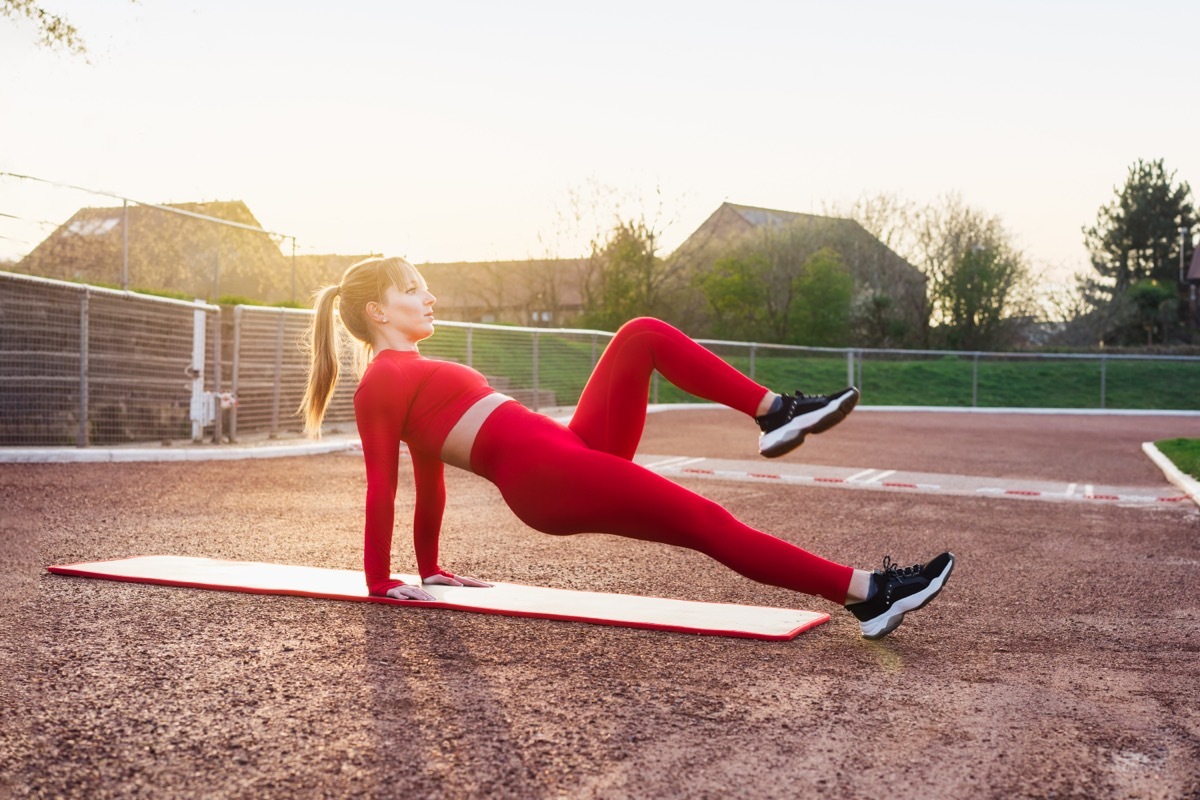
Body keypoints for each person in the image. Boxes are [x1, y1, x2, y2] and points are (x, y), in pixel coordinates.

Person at [300, 256, 954, 639]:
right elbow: (389, 483)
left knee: (640, 333)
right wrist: (383, 581)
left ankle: (776, 412)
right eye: (411, 288)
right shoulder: (383, 381)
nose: (428, 294)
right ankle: (869, 592)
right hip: (550, 477)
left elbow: (431, 475)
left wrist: (433, 566)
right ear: (377, 313)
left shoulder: (413, 368)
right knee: (706, 522)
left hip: (571, 448)